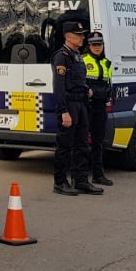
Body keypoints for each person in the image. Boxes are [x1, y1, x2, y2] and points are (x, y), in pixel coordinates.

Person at [51, 21, 103, 196]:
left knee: (82, 145)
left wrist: (86, 89)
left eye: (82, 34)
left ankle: (80, 180)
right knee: (65, 145)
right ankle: (60, 182)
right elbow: (59, 87)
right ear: (68, 36)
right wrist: (63, 111)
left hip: (81, 104)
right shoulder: (62, 56)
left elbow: (77, 79)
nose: (82, 37)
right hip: (69, 105)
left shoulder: (77, 55)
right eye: (78, 34)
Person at [83, 32, 114, 186]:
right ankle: (80, 178)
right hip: (86, 106)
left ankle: (98, 175)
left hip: (100, 106)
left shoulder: (107, 63)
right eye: (94, 44)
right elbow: (81, 85)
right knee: (81, 142)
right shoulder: (83, 61)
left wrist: (98, 93)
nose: (97, 47)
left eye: (99, 44)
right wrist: (92, 93)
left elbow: (109, 86)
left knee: (98, 142)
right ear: (89, 45)